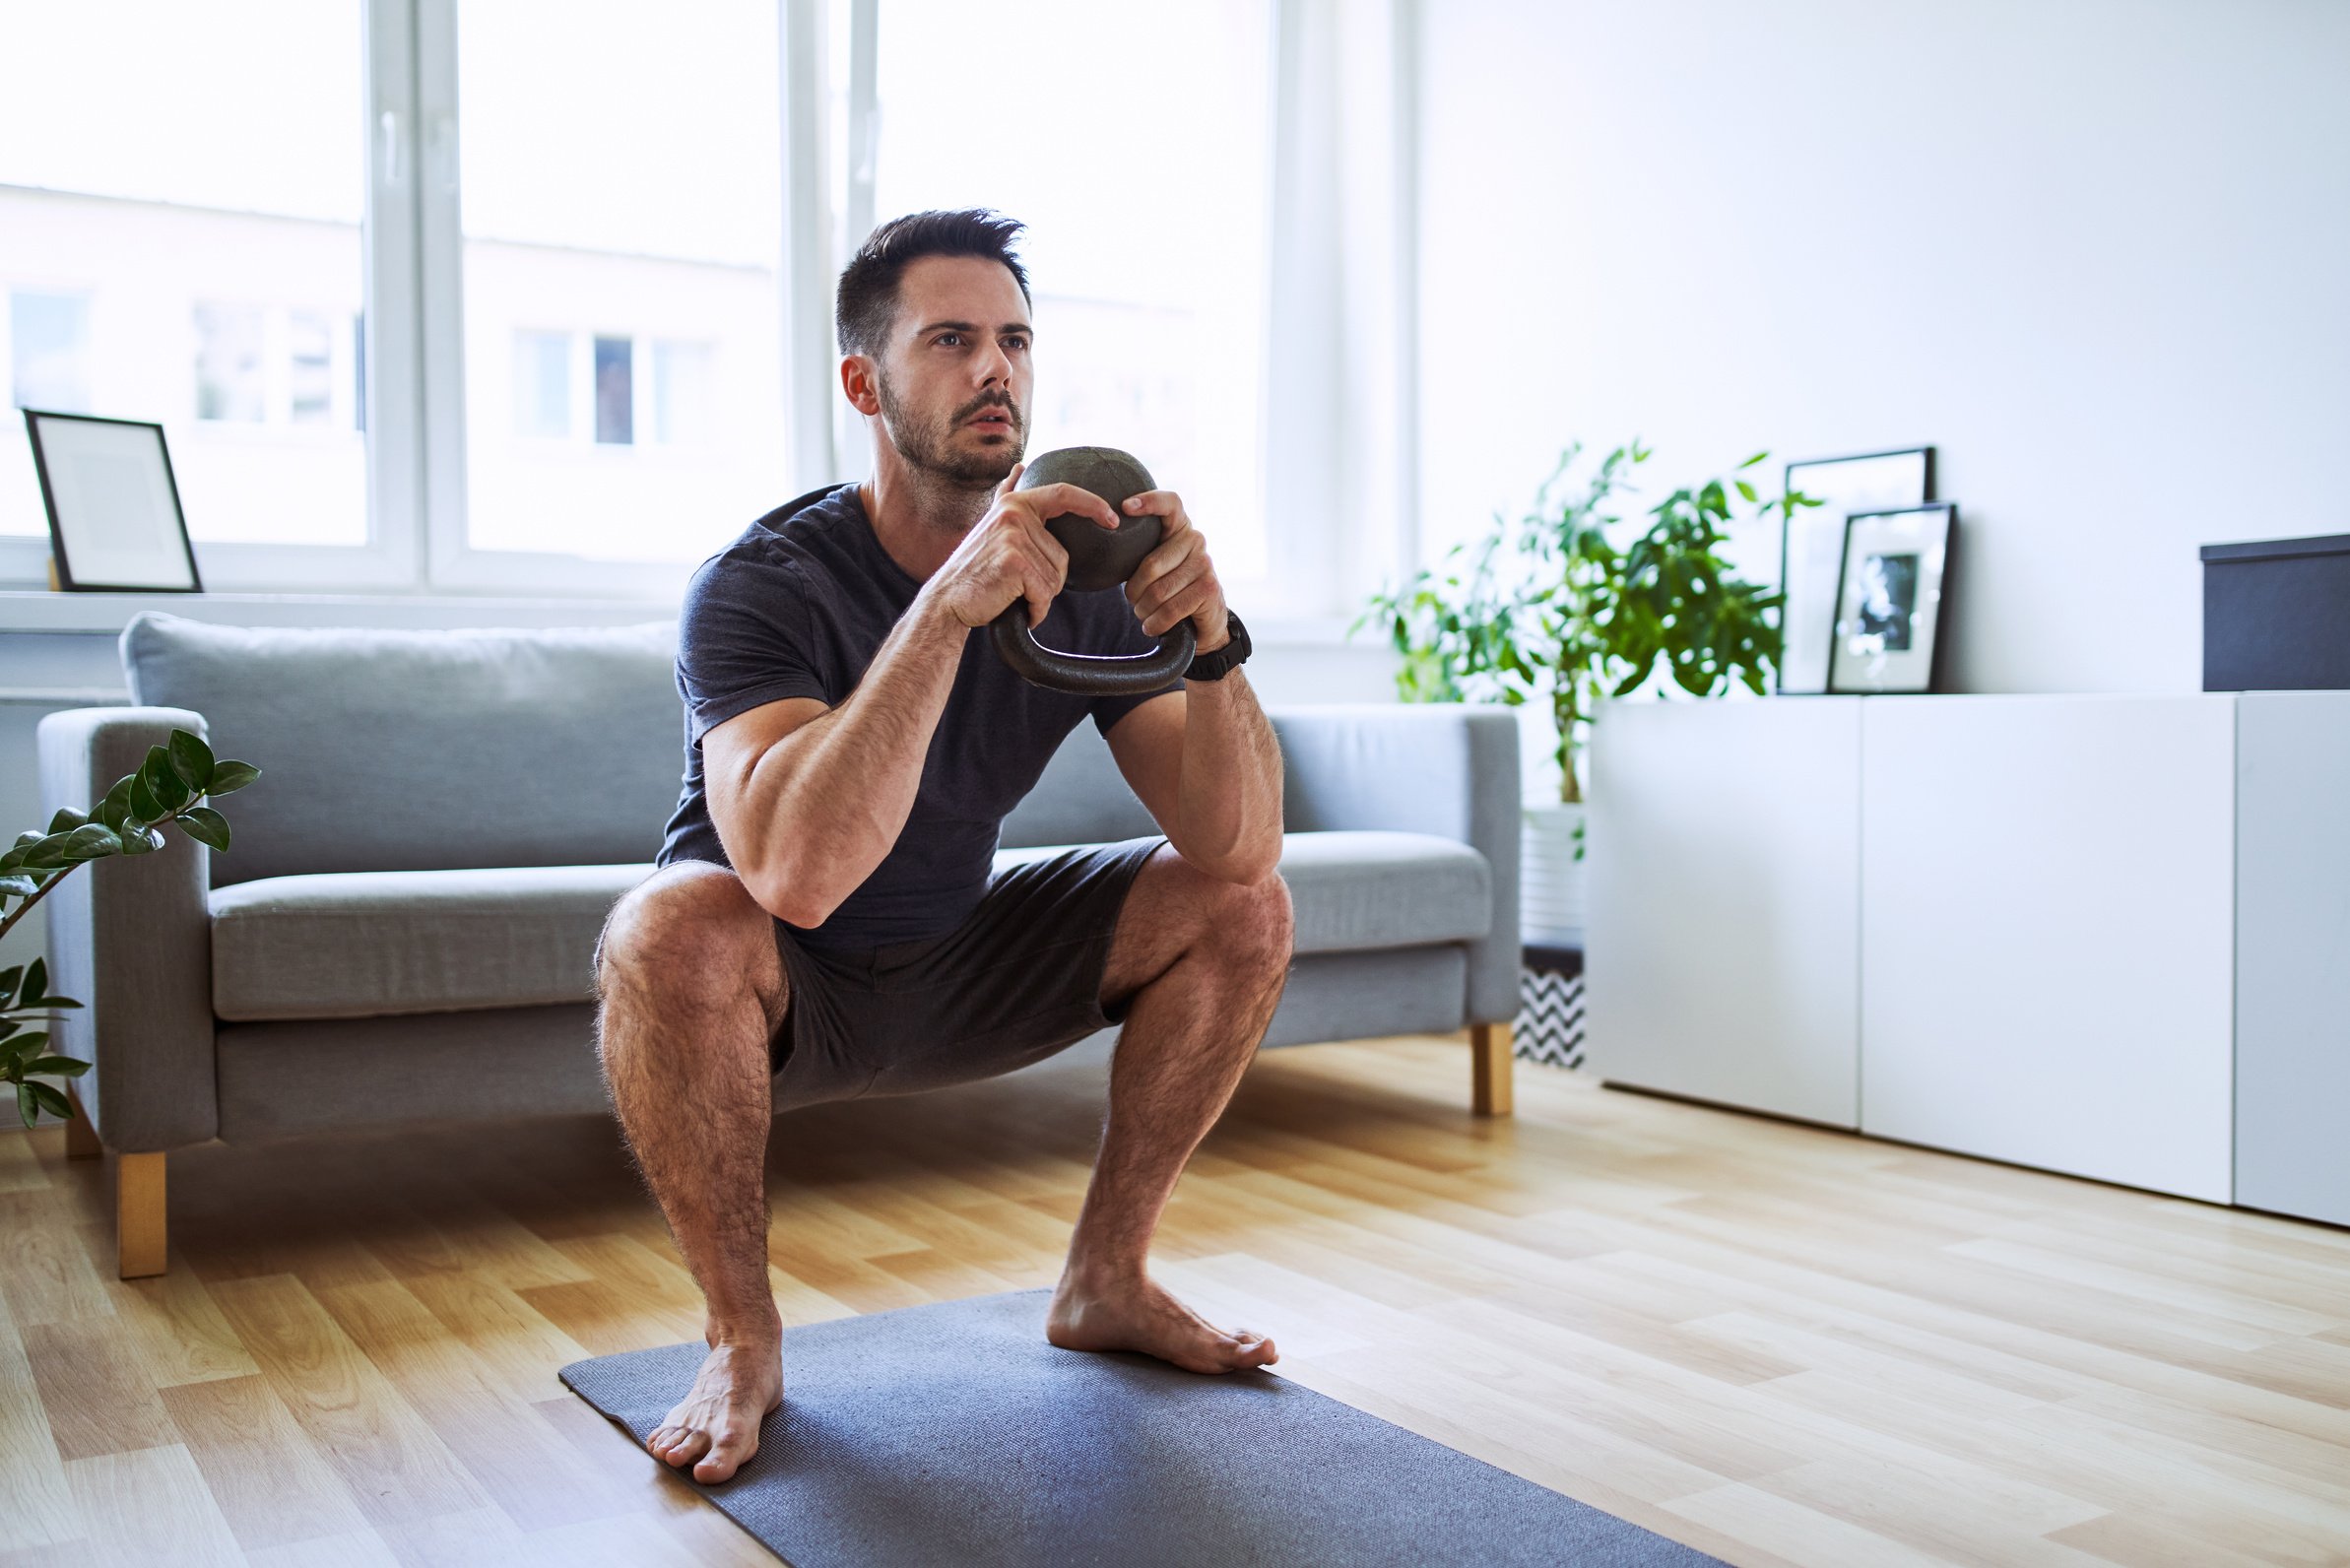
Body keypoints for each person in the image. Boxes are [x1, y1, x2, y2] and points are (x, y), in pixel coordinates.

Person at [593, 209, 1294, 1485]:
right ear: (865, 381)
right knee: (665, 928)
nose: (997, 371)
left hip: (958, 959)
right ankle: (739, 1336)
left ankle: (1106, 1280)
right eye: (953, 340)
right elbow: (794, 875)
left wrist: (1210, 637)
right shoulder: (764, 581)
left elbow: (1235, 848)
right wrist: (945, 610)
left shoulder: (1081, 578)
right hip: (779, 980)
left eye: (1015, 342)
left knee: (1242, 909)